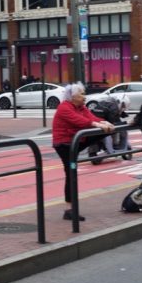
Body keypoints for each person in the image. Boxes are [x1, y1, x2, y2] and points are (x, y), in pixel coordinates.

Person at [52, 83, 115, 221]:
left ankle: (131, 123)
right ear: (73, 96)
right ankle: (69, 209)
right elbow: (79, 121)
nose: (84, 96)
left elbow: (91, 117)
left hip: (77, 141)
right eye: (81, 94)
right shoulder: (64, 107)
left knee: (105, 130)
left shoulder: (81, 107)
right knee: (70, 172)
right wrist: (97, 124)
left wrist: (104, 122)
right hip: (64, 144)